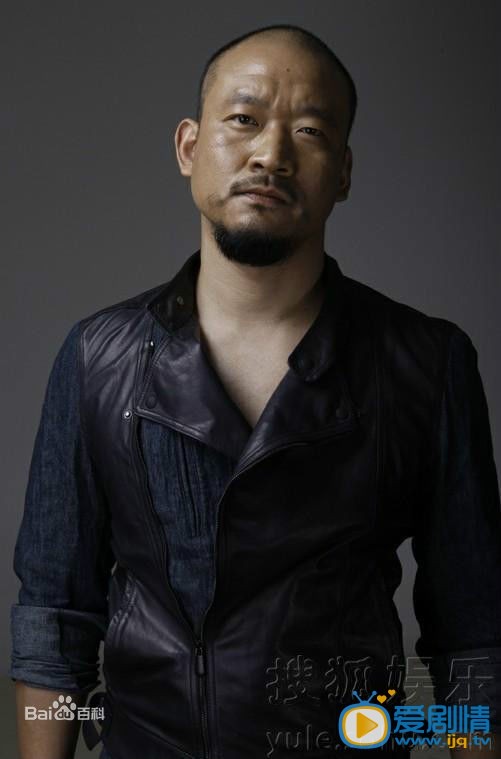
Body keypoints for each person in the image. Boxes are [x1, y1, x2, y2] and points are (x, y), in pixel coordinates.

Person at [10, 22, 501, 759]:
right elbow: (54, 618)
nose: (271, 153)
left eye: (308, 130)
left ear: (342, 172)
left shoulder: (427, 364)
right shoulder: (97, 357)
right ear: (188, 147)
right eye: (243, 119)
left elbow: (474, 640)